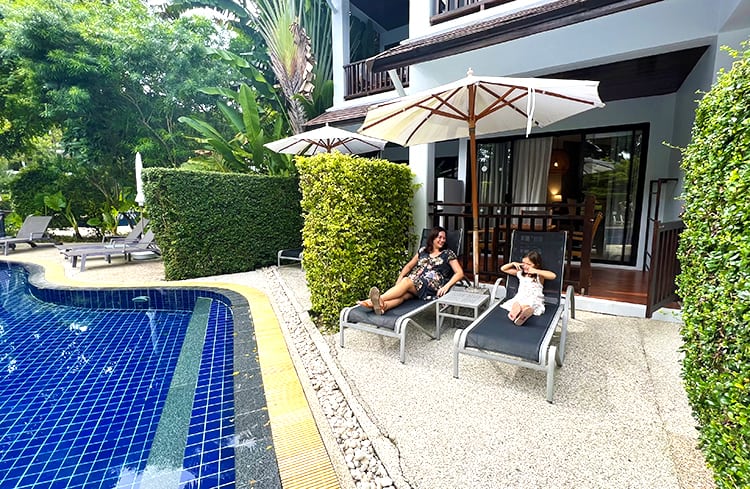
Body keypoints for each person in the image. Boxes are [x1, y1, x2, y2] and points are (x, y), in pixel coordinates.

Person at [358, 226, 465, 315]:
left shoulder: (447, 253)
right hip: (415, 284)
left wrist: (446, 286)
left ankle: (375, 300)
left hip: (431, 285)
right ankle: (383, 307)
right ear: (432, 238)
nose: (442, 240)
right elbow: (409, 266)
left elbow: (459, 273)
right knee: (403, 295)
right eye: (439, 237)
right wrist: (399, 278)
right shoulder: (423, 251)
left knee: (407, 281)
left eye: (444, 238)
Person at [499, 250, 556, 326]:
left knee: (529, 305)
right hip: (521, 297)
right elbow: (503, 269)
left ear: (536, 265)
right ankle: (518, 312)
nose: (525, 266)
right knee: (516, 303)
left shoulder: (539, 275)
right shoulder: (520, 273)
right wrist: (513, 263)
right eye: (523, 263)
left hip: (534, 298)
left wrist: (536, 271)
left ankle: (522, 313)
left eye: (528, 264)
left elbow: (553, 276)